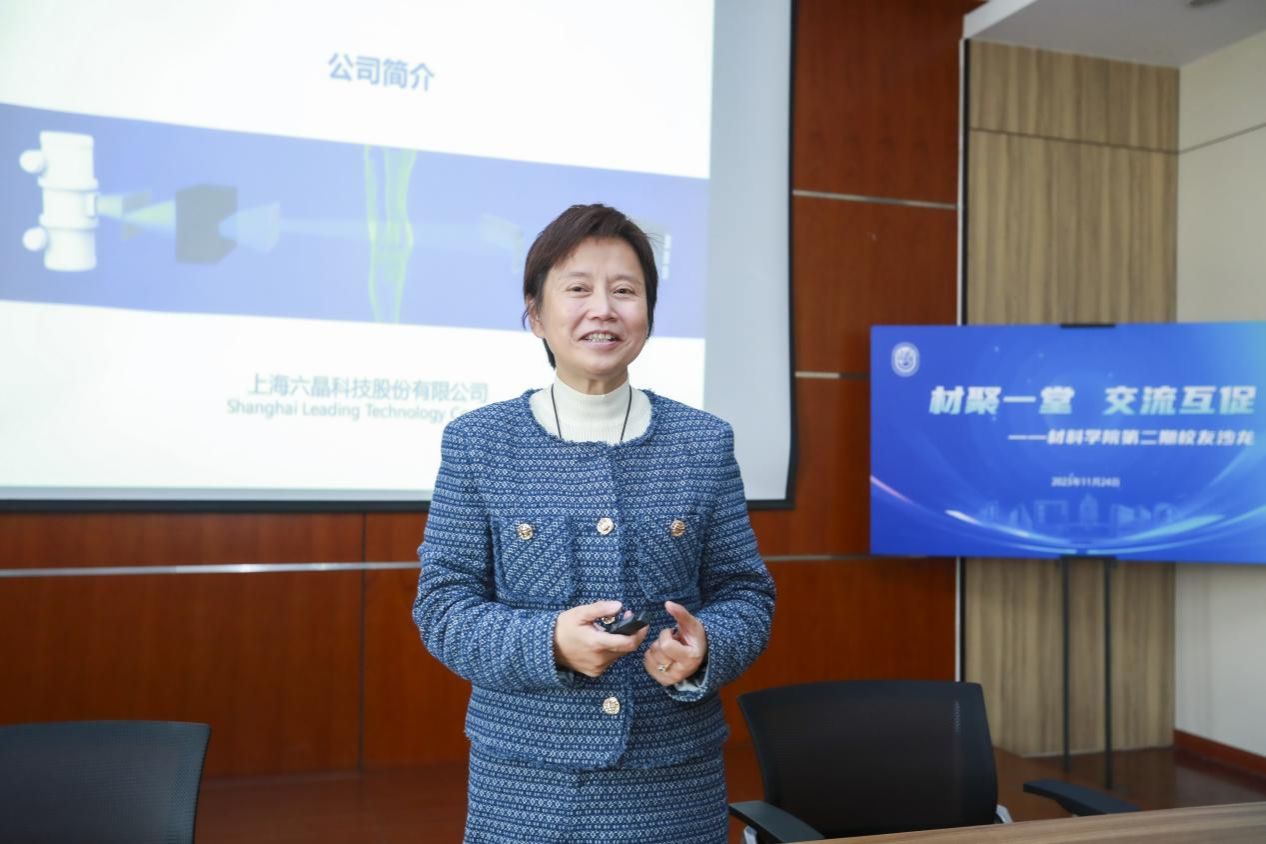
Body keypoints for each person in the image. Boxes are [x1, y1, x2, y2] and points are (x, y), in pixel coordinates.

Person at [413, 203, 775, 843]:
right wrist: (549, 643)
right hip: (526, 789)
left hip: (673, 783)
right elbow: (442, 608)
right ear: (535, 313)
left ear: (648, 313)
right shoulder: (479, 443)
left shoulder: (703, 442)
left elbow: (746, 594)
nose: (603, 309)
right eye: (577, 289)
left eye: (625, 291)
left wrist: (705, 648)